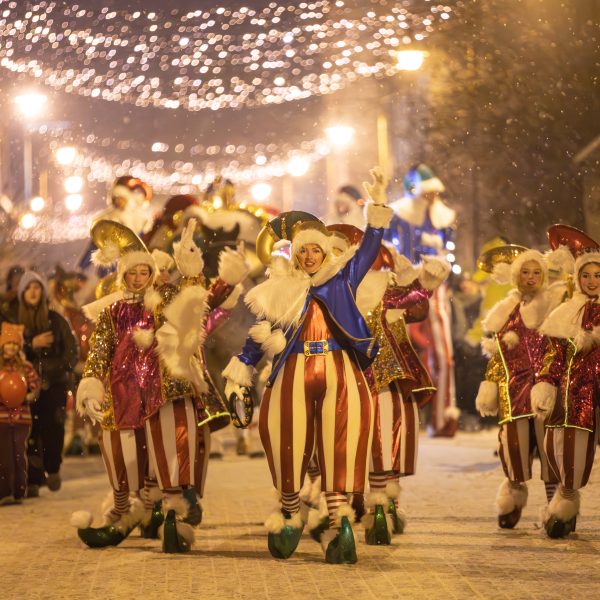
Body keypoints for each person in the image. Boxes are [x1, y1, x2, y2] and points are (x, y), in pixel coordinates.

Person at [223, 167, 393, 564]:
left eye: (316, 250)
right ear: (295, 255)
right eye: (303, 252)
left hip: (339, 368)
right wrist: (240, 371)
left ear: (324, 252)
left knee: (341, 442)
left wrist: (377, 210)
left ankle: (339, 521)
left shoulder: (341, 278)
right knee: (285, 439)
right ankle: (290, 512)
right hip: (294, 371)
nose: (310, 256)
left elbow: (368, 249)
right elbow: (258, 335)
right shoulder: (280, 290)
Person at [73, 219, 247, 553]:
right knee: (124, 455)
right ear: (123, 276)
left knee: (169, 451)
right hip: (123, 393)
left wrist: (192, 269)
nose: (139, 278)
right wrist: (91, 382)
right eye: (132, 273)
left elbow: (195, 302)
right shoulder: (112, 312)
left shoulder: (163, 299)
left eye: (144, 272)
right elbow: (100, 351)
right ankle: (122, 511)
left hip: (161, 390)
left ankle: (174, 512)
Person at [475, 246, 566, 529]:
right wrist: (490, 384)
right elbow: (497, 355)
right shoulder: (505, 312)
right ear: (516, 276)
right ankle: (513, 498)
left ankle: (556, 508)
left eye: (536, 272)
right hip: (513, 390)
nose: (531, 277)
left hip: (547, 388)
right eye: (525, 272)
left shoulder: (554, 307)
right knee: (513, 448)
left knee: (551, 450)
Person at [531, 226, 600, 538]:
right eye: (586, 276)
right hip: (567, 396)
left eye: (597, 275)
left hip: (592, 396)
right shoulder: (566, 312)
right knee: (557, 447)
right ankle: (564, 499)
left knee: (578, 450)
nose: (592, 281)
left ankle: (566, 501)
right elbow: (553, 354)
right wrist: (546, 382)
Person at [387, 164, 458, 436]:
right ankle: (398, 417)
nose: (431, 197)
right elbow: (387, 251)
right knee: (398, 354)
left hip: (436, 288)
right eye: (427, 192)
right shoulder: (399, 216)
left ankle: (443, 417)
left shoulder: (444, 219)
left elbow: (448, 254)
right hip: (402, 289)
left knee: (444, 356)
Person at [13, 271, 78, 496]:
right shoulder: (15, 322)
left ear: (42, 292)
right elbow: (8, 350)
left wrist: (48, 370)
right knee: (30, 432)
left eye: (37, 287)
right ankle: (33, 478)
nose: (33, 292)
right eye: (28, 288)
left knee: (53, 428)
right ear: (22, 293)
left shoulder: (56, 320)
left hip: (54, 385)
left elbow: (71, 352)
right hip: (25, 385)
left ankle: (53, 467)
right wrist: (31, 344)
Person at [0, 323, 40, 505]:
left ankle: (19, 490)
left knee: (18, 453)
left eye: (15, 344)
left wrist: (29, 395)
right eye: (8, 343)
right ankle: (5, 492)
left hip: (22, 417)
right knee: (4, 455)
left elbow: (35, 386)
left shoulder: (25, 367)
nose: (11, 347)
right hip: (1, 417)